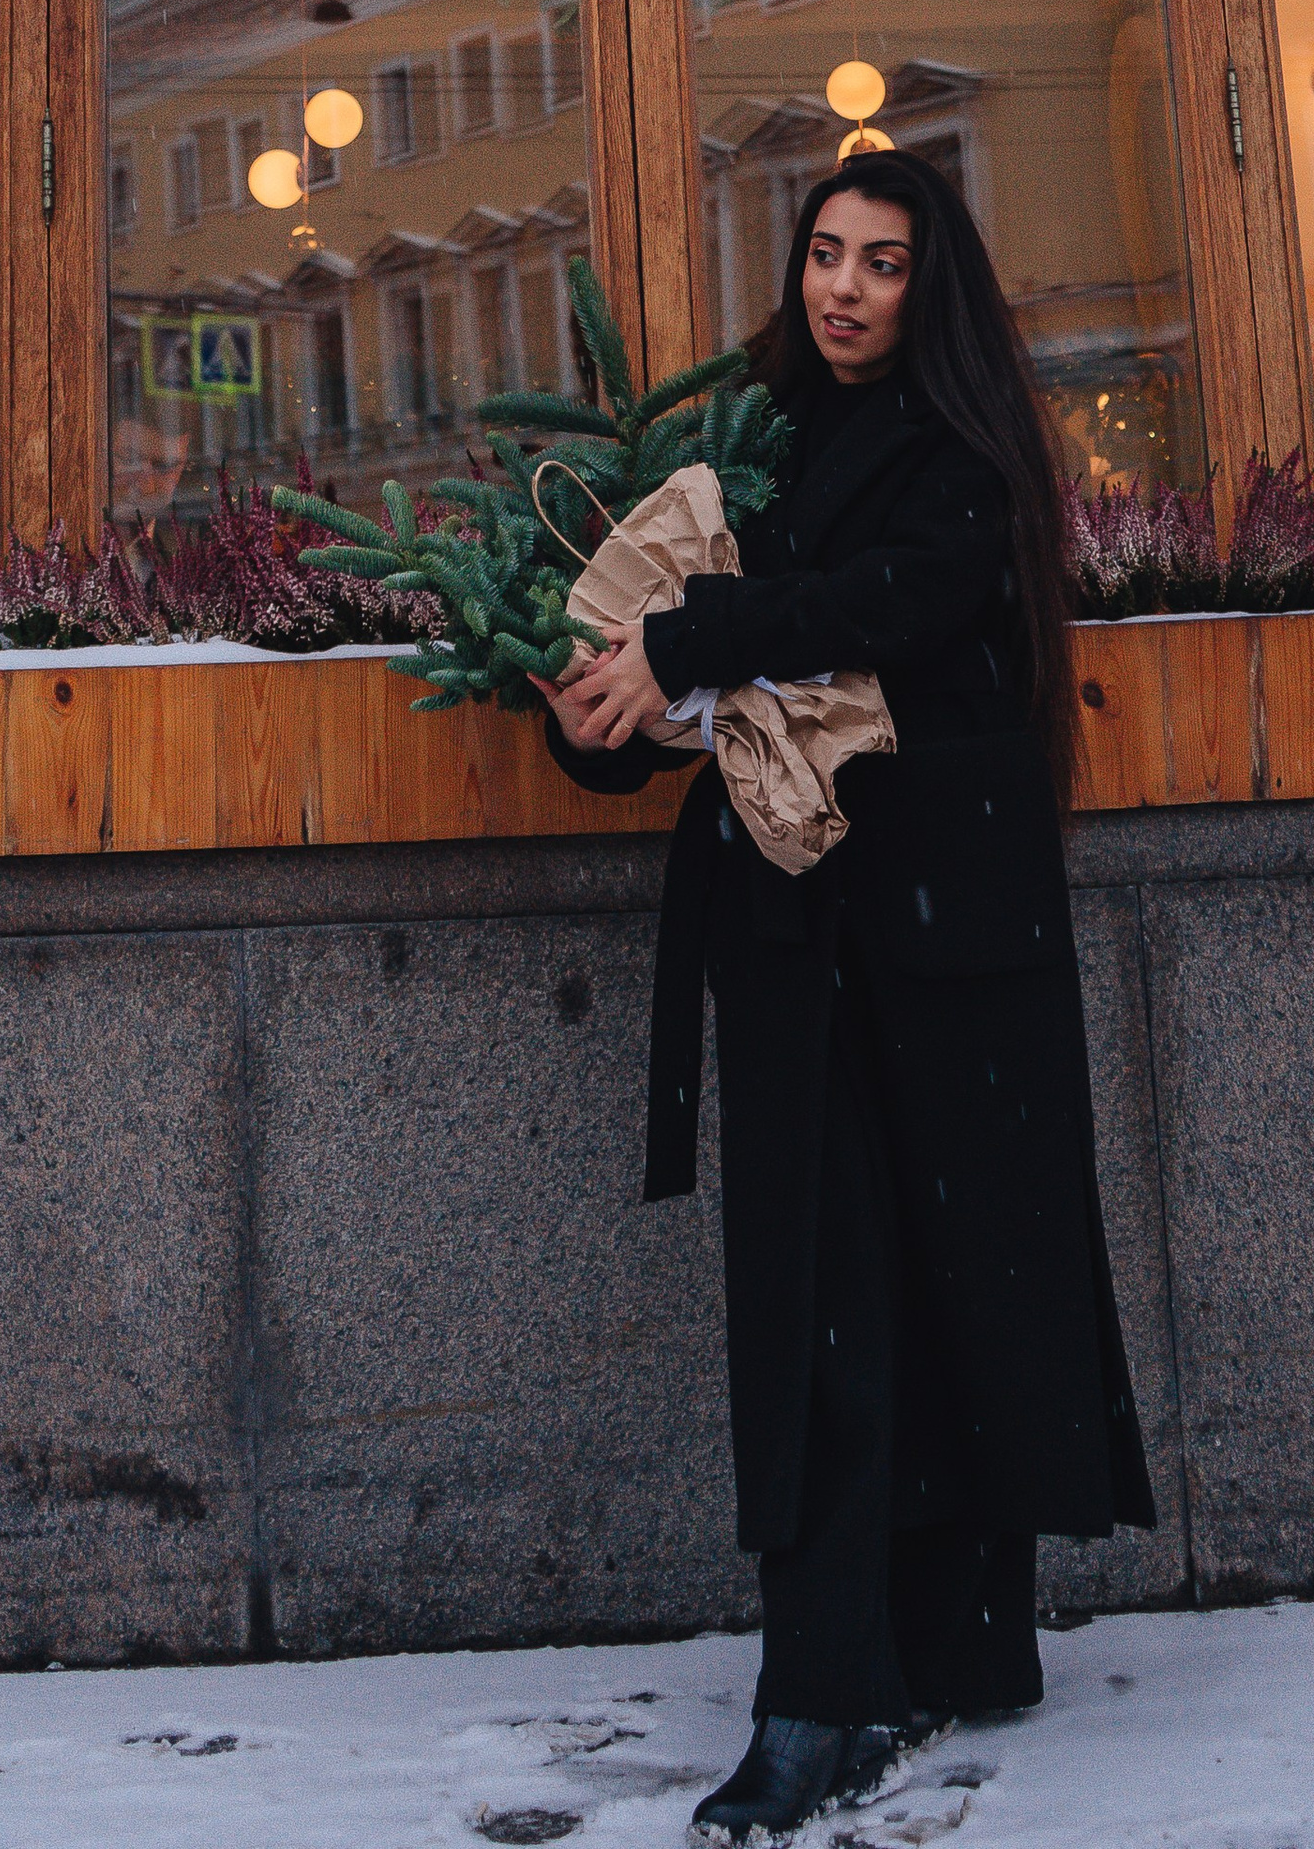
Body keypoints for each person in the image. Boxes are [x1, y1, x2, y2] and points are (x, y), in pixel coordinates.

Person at [536, 151, 1154, 1841]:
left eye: (882, 262)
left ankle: (922, 1650)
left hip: (945, 950)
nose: (845, 288)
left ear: (928, 285)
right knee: (826, 1304)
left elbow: (884, 606)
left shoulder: (963, 457)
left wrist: (694, 643)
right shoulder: (751, 448)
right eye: (824, 254)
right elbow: (696, 652)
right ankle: (827, 1677)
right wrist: (613, 695)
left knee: (949, 1286)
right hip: (806, 942)